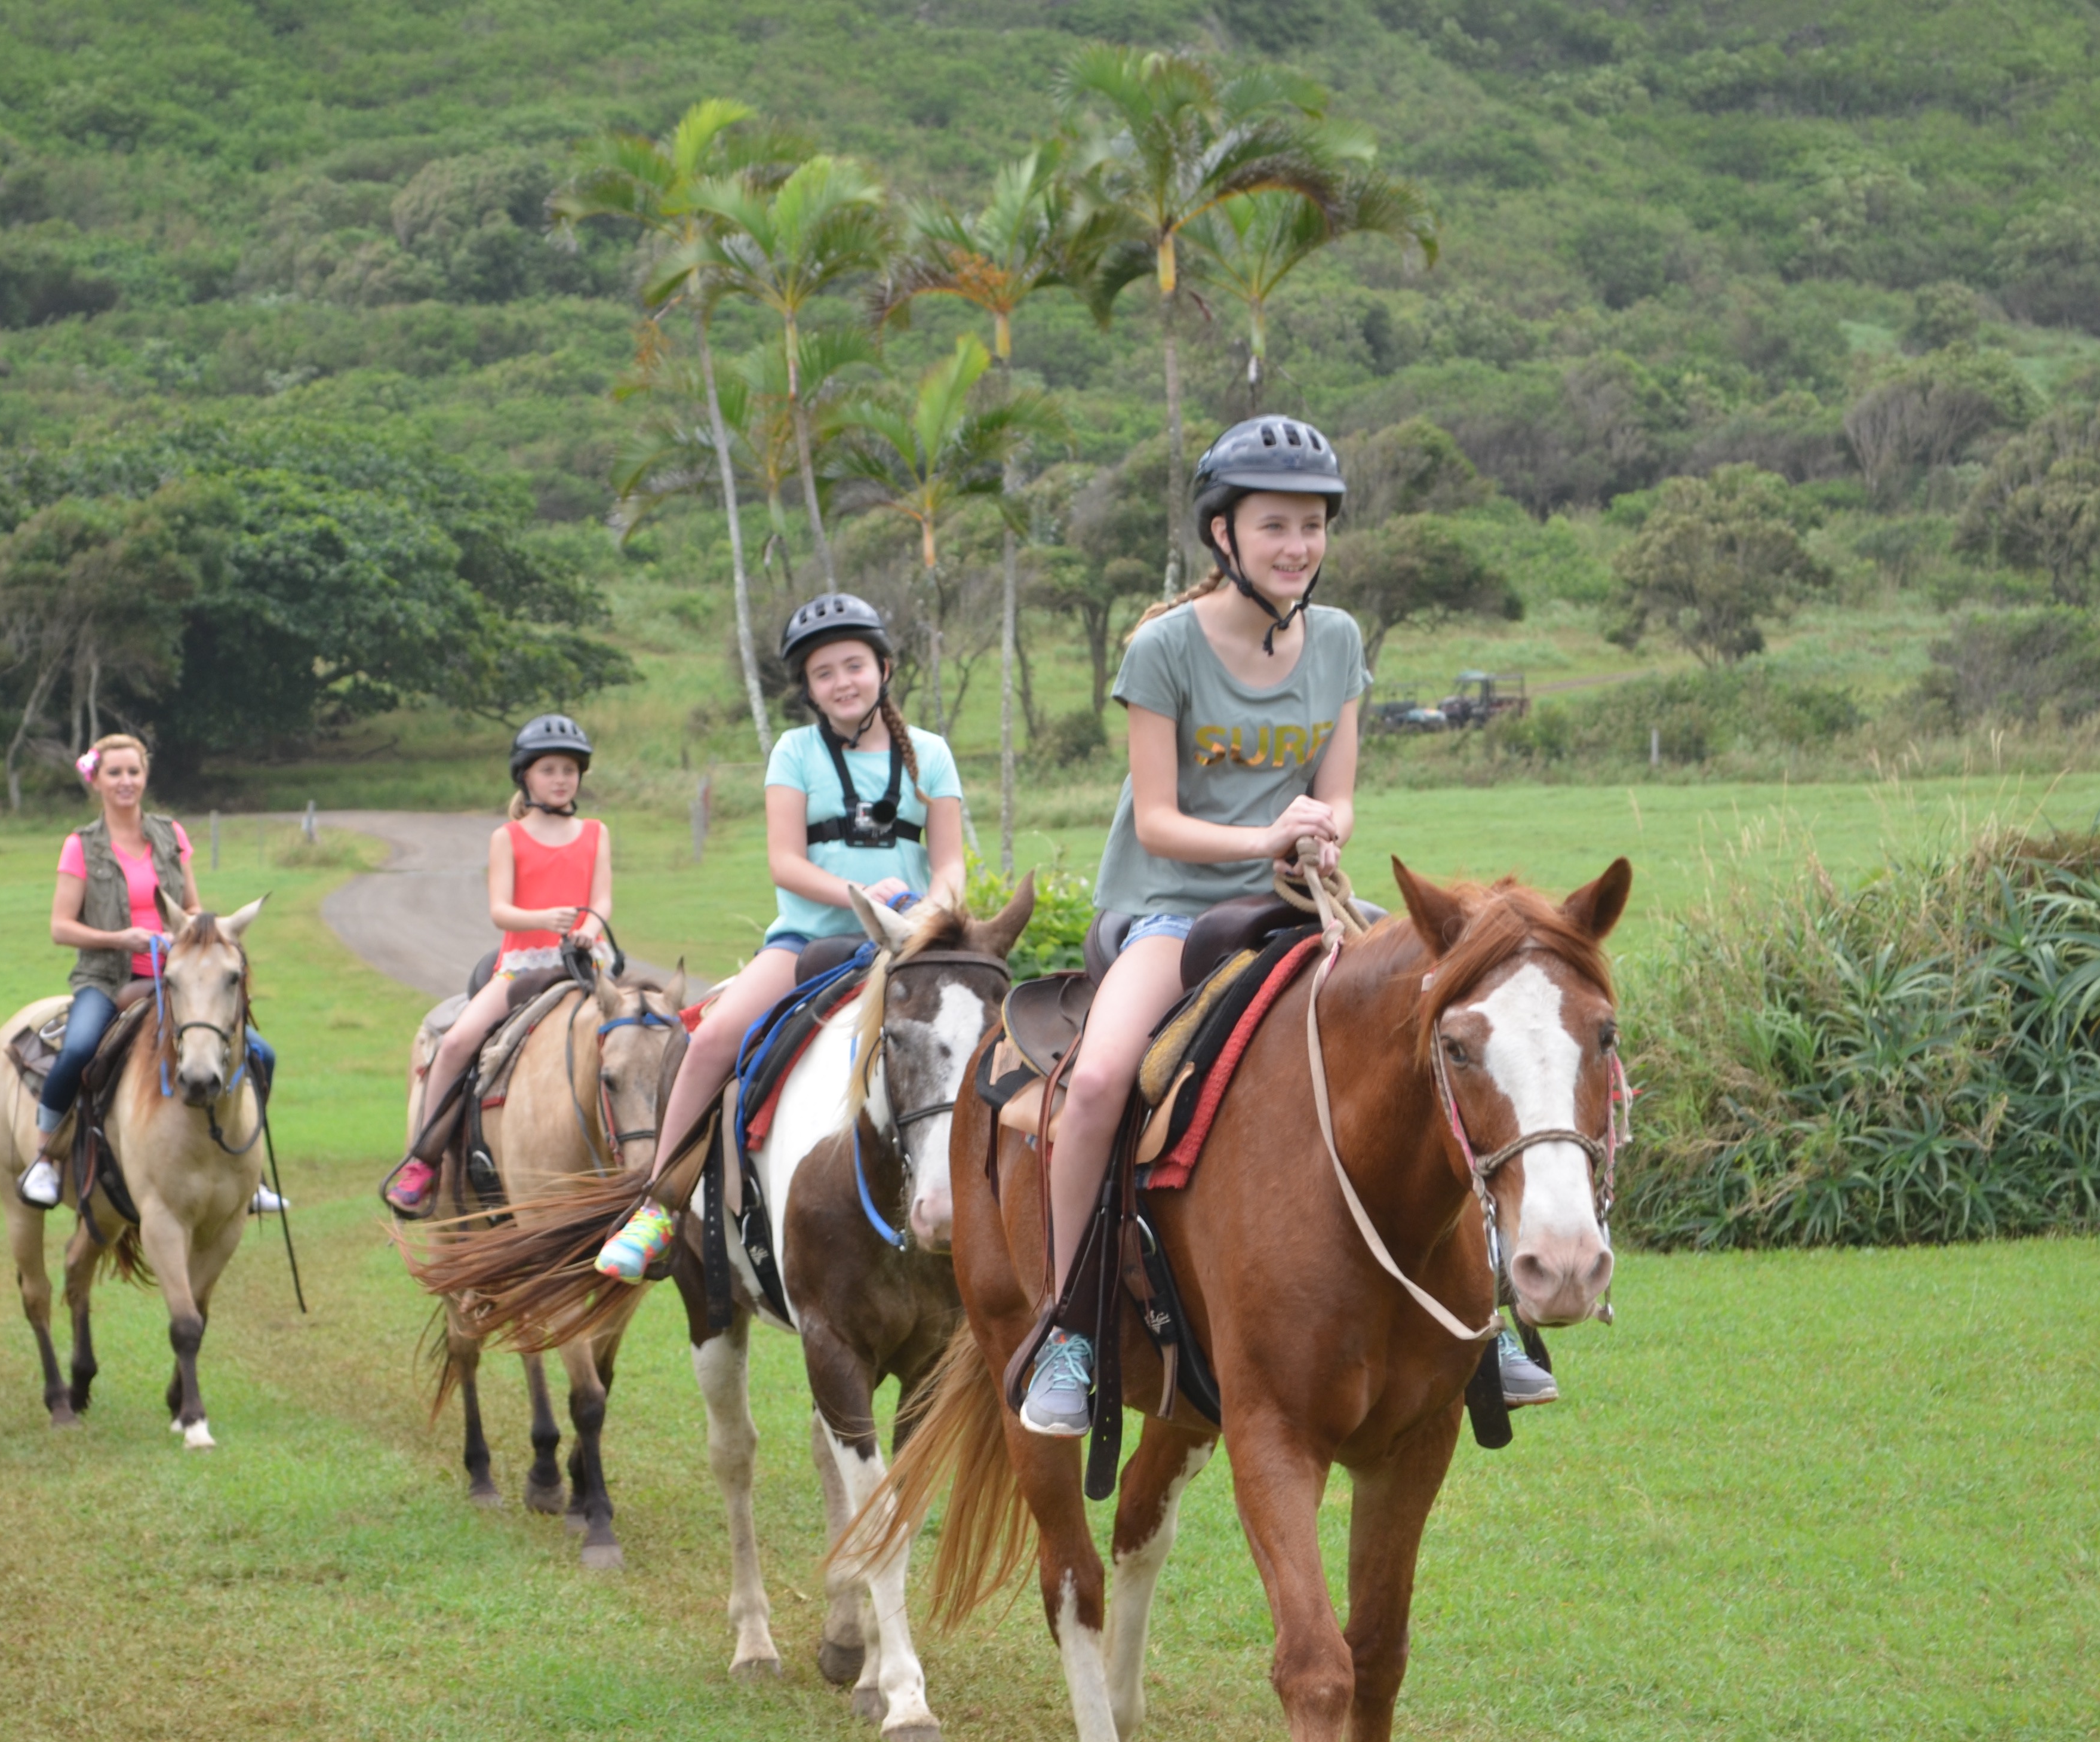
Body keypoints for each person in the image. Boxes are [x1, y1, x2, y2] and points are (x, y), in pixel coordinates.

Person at [1011, 418, 1564, 1439]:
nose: (1296, 546)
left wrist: (1315, 829)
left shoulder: (1339, 639)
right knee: (1093, 1082)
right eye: (1273, 526)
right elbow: (1159, 813)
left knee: (1445, 1046)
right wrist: (1265, 831)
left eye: (1311, 526)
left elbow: (1340, 795)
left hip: (1300, 901)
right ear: (1221, 534)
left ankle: (1488, 1320)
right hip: (1168, 910)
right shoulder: (1163, 647)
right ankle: (1066, 1329)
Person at [590, 594, 967, 1282]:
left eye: (853, 665)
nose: (841, 682)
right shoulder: (793, 751)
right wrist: (861, 899)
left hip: (911, 947)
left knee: (993, 1039)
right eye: (824, 674)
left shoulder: (932, 755)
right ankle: (654, 1210)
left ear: (883, 667)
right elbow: (785, 862)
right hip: (806, 944)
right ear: (809, 689)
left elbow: (949, 864)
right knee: (708, 1039)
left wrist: (930, 912)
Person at [17, 733, 282, 1213]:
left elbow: (192, 905)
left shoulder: (171, 835)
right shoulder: (80, 846)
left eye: (134, 772)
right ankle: (44, 1158)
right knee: (77, 1048)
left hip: (175, 978)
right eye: (114, 773)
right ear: (96, 780)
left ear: (145, 776)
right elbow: (61, 927)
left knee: (260, 1054)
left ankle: (247, 1174)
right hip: (106, 979)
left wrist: (200, 929)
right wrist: (122, 938)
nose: (126, 782)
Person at [383, 715, 614, 1215]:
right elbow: (500, 911)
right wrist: (544, 918)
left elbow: (603, 900)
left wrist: (589, 931)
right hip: (522, 968)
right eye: (549, 769)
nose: (561, 779)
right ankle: (423, 1162)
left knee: (642, 1035)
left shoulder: (596, 833)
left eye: (570, 770)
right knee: (458, 1043)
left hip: (582, 963)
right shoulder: (508, 837)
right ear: (525, 778)